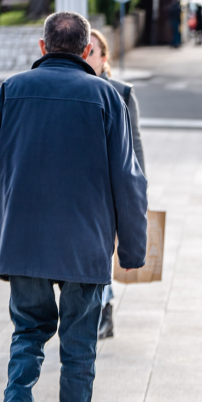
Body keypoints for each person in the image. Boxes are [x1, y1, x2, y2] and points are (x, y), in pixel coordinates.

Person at [0, 11, 148, 402]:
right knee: (78, 347)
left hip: (23, 240)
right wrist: (132, 251)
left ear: (43, 47)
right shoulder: (107, 97)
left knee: (28, 333)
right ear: (87, 51)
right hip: (85, 245)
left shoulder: (10, 90)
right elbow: (128, 181)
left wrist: (5, 199)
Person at [86, 29, 147, 340]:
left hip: (111, 195)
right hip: (83, 196)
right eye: (83, 51)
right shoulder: (75, 90)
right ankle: (98, 313)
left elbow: (135, 150)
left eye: (92, 52)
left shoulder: (121, 93)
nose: (86, 57)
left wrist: (138, 198)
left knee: (102, 257)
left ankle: (104, 314)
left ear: (104, 58)